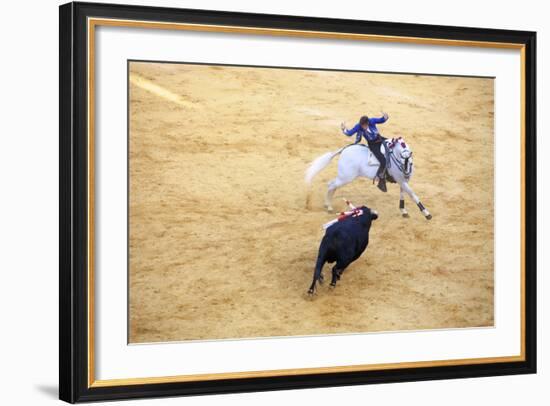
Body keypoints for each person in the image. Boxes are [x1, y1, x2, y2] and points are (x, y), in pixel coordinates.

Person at [341, 113, 389, 192]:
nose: (363, 127)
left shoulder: (372, 121)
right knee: (382, 160)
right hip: (373, 145)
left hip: (380, 139)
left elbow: (381, 120)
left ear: (368, 123)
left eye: (364, 125)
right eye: (362, 126)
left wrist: (385, 117)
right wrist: (344, 129)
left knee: (392, 145)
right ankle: (381, 177)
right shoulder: (359, 126)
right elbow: (350, 133)